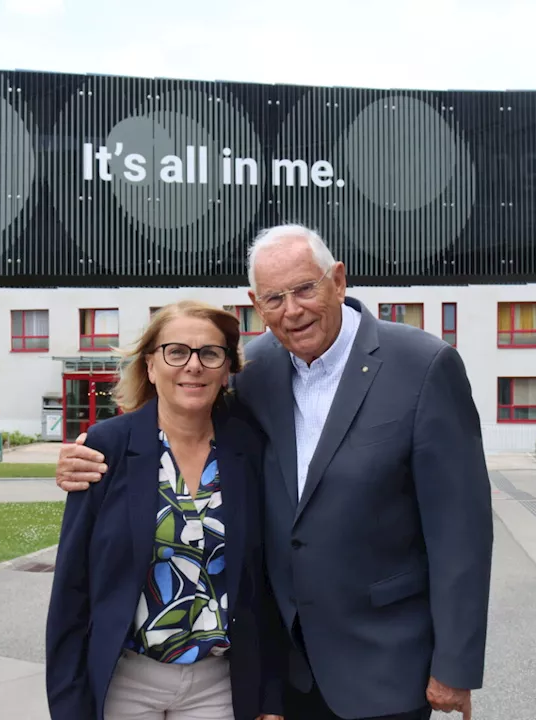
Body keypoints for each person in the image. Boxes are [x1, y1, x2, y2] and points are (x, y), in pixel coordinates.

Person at [55, 225, 493, 720]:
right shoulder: (253, 369)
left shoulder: (423, 364)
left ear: (339, 280)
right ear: (256, 305)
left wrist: (454, 665)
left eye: (306, 288)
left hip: (384, 663)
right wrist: (85, 453)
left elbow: (461, 530)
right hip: (283, 667)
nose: (293, 310)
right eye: (274, 298)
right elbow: (181, 424)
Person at [44, 299, 286, 720]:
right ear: (151, 365)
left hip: (218, 685)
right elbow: (72, 587)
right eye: (176, 351)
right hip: (125, 683)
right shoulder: (107, 448)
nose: (193, 366)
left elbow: (263, 584)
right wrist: (68, 704)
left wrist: (269, 696)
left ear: (226, 368)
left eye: (210, 353)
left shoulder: (249, 450)